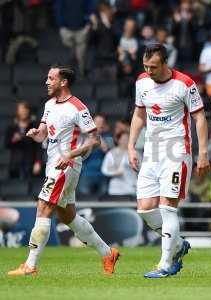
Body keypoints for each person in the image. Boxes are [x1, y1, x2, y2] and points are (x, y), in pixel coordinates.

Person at [7, 65, 119, 276]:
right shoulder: (49, 104)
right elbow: (43, 134)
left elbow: (95, 140)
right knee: (68, 217)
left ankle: (30, 266)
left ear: (63, 82)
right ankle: (108, 253)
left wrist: (72, 154)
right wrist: (35, 133)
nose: (47, 82)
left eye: (51, 78)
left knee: (43, 206)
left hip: (66, 166)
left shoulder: (78, 108)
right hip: (53, 163)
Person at [128, 44, 209, 278]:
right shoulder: (142, 82)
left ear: (165, 63)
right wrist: (132, 146)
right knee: (144, 208)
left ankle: (165, 263)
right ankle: (178, 243)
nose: (149, 70)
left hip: (177, 151)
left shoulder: (184, 84)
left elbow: (200, 118)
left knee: (166, 207)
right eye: (145, 66)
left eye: (153, 66)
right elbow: (139, 113)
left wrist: (202, 152)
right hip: (152, 152)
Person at [5, 101, 42, 179]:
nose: (23, 113)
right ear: (17, 112)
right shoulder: (12, 128)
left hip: (30, 164)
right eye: (21, 111)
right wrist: (13, 140)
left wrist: (38, 162)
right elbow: (6, 144)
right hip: (15, 165)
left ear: (28, 111)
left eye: (25, 110)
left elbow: (39, 146)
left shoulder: (34, 127)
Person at [101, 131, 137, 197]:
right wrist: (115, 172)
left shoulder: (134, 154)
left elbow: (140, 170)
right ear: (118, 140)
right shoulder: (111, 153)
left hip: (132, 189)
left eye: (127, 139)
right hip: (115, 189)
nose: (125, 141)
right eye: (123, 139)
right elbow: (104, 170)